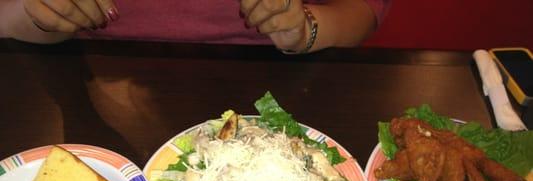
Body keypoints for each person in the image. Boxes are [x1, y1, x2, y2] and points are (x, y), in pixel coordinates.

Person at [0, 0, 389, 53]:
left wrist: (307, 29)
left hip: (271, 76)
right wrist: (44, 13)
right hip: (93, 68)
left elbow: (363, 10)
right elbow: (11, 16)